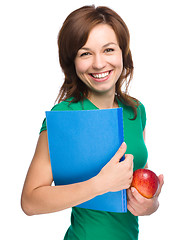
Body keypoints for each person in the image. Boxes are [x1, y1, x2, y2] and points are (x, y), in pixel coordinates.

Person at [21, 5, 164, 240]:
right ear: (73, 61)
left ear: (122, 53)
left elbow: (135, 184)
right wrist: (99, 184)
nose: (99, 64)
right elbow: (30, 201)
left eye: (108, 50)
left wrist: (151, 204)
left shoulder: (136, 111)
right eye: (85, 53)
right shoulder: (64, 115)